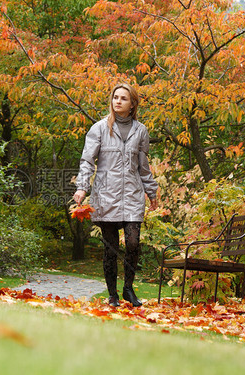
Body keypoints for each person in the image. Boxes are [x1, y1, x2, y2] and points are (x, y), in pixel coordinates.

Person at [73, 83, 158, 307]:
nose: (117, 101)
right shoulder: (99, 129)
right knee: (111, 248)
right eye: (115, 97)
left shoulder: (141, 131)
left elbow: (143, 167)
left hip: (132, 195)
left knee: (132, 243)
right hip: (106, 195)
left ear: (132, 104)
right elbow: (87, 161)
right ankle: (112, 295)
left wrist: (152, 192)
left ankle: (128, 289)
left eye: (123, 98)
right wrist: (82, 187)